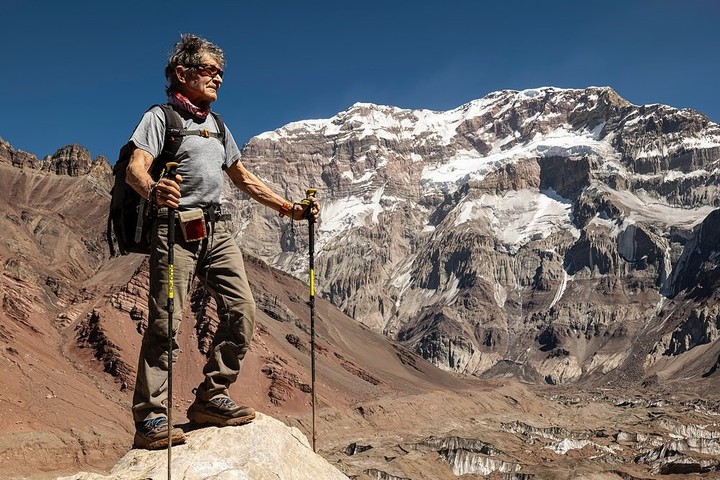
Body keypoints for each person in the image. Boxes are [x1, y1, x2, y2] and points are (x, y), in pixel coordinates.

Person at [125, 33, 320, 450]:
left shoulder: (217, 126)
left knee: (242, 310)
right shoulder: (161, 118)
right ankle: (151, 418)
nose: (218, 79)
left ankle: (211, 396)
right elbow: (135, 169)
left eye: (220, 73)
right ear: (183, 73)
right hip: (174, 228)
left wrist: (291, 209)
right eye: (210, 70)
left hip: (215, 229)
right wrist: (154, 189)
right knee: (166, 321)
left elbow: (243, 178)